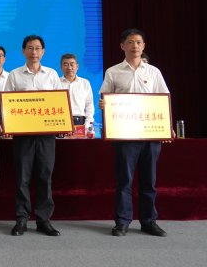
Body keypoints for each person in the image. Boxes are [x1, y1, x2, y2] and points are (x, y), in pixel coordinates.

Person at [99, 28, 169, 237]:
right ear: (122, 46)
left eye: (138, 42)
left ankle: (149, 221)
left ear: (143, 46)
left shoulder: (154, 72)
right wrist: (104, 104)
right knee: (125, 180)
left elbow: (164, 99)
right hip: (125, 134)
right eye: (130, 42)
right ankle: (122, 222)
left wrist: (167, 127)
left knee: (149, 180)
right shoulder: (113, 72)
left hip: (150, 134)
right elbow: (105, 97)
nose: (135, 46)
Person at [4, 34, 63, 237]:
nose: (34, 52)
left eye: (37, 48)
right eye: (30, 48)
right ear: (23, 51)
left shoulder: (52, 74)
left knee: (45, 176)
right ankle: (21, 219)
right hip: (23, 135)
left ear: (43, 51)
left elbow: (59, 103)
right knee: (22, 177)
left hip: (46, 135)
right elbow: (7, 104)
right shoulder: (14, 75)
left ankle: (43, 219)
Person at [59, 53, 94, 131]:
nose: (69, 67)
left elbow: (89, 105)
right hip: (61, 121)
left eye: (72, 64)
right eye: (65, 64)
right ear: (61, 67)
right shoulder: (56, 83)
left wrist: (88, 123)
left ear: (77, 66)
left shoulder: (85, 83)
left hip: (80, 122)